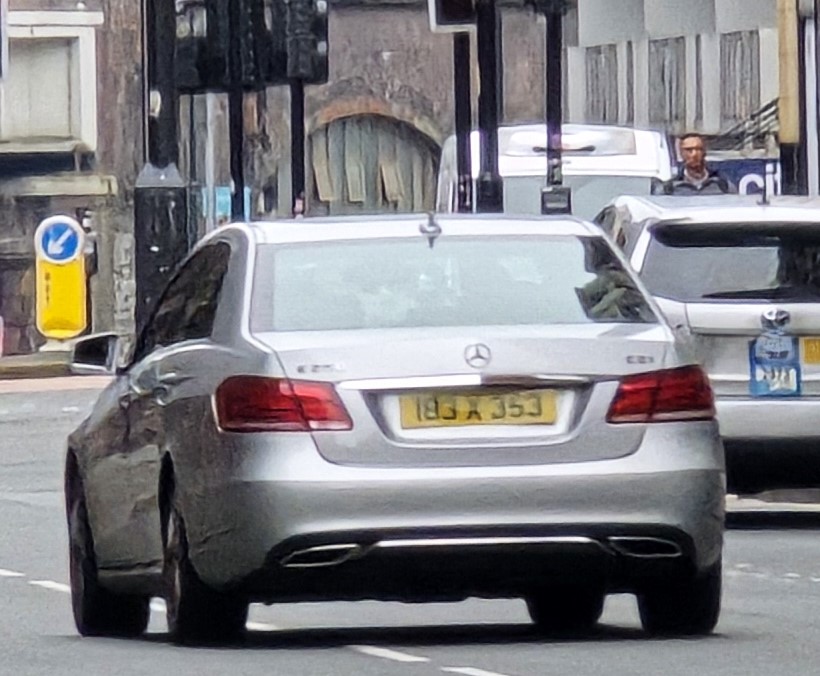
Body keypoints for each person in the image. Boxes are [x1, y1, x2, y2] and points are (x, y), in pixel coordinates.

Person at [653, 132, 737, 195]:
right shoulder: (669, 189)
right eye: (689, 150)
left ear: (704, 152)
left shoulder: (723, 186)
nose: (694, 154)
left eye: (699, 149)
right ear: (681, 153)